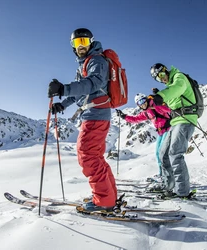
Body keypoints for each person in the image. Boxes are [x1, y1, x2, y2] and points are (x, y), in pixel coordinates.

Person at [47, 28, 117, 211]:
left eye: (84, 42)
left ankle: (104, 201)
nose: (80, 46)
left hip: (96, 114)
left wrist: (63, 89)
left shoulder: (97, 61)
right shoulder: (85, 64)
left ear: (91, 42)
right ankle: (109, 196)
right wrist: (63, 104)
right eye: (77, 43)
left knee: (87, 156)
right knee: (95, 157)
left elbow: (93, 83)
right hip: (93, 113)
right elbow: (81, 91)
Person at [148, 63, 197, 198]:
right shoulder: (169, 86)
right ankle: (168, 186)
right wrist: (160, 97)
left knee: (175, 153)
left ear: (165, 70)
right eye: (158, 78)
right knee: (163, 153)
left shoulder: (178, 77)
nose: (161, 79)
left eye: (162, 75)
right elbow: (170, 104)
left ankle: (182, 192)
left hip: (185, 119)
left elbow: (178, 88)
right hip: (175, 121)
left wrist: (161, 96)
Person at [116, 92, 171, 182]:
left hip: (168, 130)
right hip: (160, 133)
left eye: (142, 101)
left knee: (163, 153)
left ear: (146, 99)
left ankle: (167, 176)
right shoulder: (146, 113)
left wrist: (156, 106)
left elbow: (168, 109)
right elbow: (135, 119)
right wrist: (124, 116)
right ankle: (162, 174)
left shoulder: (155, 104)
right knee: (158, 154)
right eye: (139, 103)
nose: (142, 104)